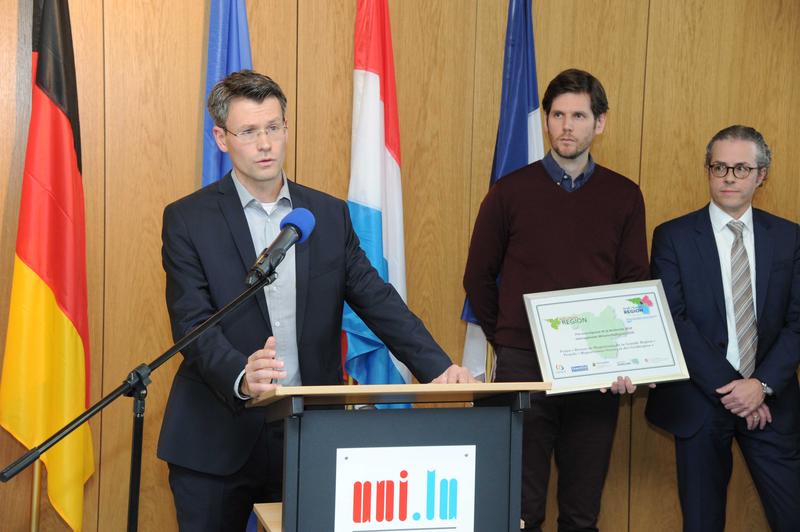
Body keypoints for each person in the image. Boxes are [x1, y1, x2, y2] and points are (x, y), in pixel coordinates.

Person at [157, 70, 472, 531]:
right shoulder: (188, 219)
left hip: (307, 436)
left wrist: (439, 368)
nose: (265, 143)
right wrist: (242, 375)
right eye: (248, 132)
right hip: (214, 438)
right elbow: (192, 322)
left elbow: (378, 301)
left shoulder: (325, 215)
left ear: (285, 129)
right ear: (221, 138)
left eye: (273, 128)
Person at [463, 69, 649, 532]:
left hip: (596, 374)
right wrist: (511, 338)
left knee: (582, 511)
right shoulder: (510, 192)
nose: (567, 125)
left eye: (579, 115)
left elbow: (633, 285)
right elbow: (478, 277)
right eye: (558, 114)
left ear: (599, 123)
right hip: (523, 370)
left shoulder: (625, 196)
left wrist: (625, 358)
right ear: (546, 120)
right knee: (519, 510)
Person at [646, 125, 800, 531]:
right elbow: (672, 321)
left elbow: (797, 321)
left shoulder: (789, 238)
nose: (729, 177)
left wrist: (760, 385)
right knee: (701, 523)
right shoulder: (672, 237)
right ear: (708, 170)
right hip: (700, 400)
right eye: (720, 167)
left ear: (761, 175)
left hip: (771, 404)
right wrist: (736, 389)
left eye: (741, 168)